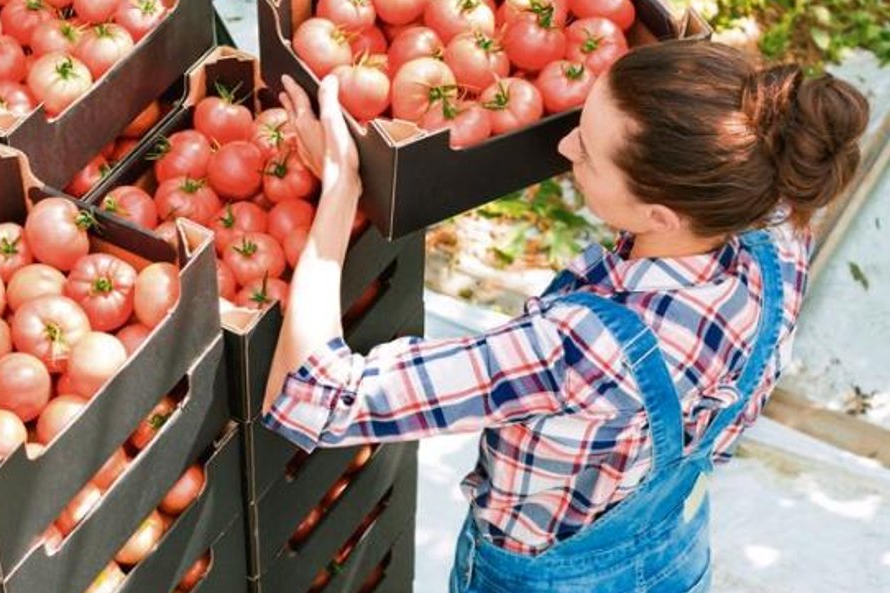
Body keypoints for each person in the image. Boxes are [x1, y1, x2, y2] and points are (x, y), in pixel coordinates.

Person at [261, 39, 870, 593]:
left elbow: (315, 401)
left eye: (589, 154)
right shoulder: (778, 230)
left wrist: (340, 191)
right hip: (670, 557)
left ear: (660, 216)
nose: (563, 145)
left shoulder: (582, 348)